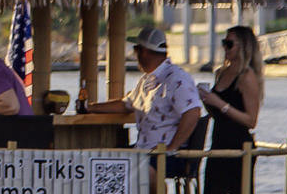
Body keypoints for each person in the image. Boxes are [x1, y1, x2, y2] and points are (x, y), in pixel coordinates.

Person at [82, 23, 204, 168]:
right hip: (145, 150)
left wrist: (171, 149)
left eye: (135, 49)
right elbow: (126, 104)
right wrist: (90, 107)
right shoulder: (147, 79)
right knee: (103, 162)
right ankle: (149, 188)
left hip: (169, 155)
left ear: (144, 51)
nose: (135, 55)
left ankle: (156, 189)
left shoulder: (176, 78)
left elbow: (193, 111)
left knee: (134, 169)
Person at [198, 23, 265, 194]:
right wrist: (207, 101)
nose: (225, 48)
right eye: (223, 43)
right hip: (218, 144)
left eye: (229, 44)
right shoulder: (221, 73)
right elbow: (219, 113)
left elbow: (251, 120)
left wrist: (219, 104)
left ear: (243, 48)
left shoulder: (246, 76)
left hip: (239, 148)